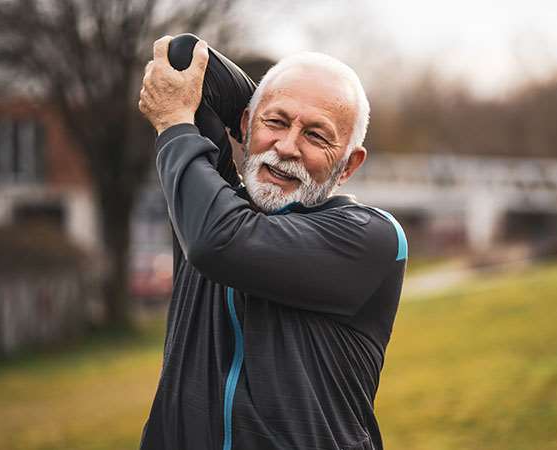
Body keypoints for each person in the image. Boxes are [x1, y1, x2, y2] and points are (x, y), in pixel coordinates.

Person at [137, 36, 407, 450]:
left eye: (317, 136)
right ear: (245, 124)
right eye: (276, 124)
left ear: (349, 163)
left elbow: (220, 240)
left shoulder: (373, 238)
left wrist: (176, 123)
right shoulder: (210, 203)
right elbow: (183, 57)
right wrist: (267, 102)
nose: (286, 148)